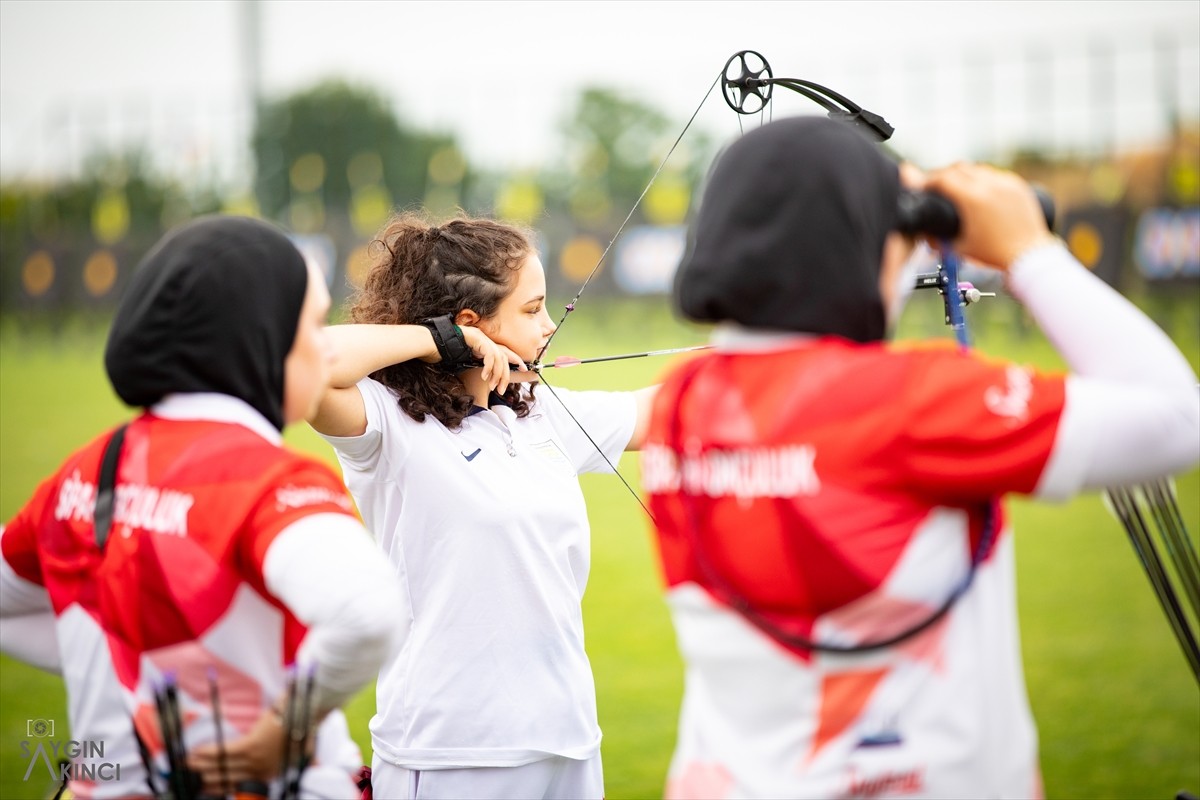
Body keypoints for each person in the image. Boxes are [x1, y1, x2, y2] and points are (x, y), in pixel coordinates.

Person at [639, 116, 1200, 799]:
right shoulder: (907, 401)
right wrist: (1031, 252)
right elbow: (1177, 419)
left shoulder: (682, 402)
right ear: (856, 245)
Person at [0, 215, 404, 800]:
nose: (326, 350)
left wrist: (142, 667)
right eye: (314, 325)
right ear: (259, 337)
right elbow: (369, 613)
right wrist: (285, 731)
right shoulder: (266, 479)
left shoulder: (87, 470)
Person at [307, 212, 656, 800]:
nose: (549, 325)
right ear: (471, 323)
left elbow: (674, 407)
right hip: (451, 751)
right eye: (532, 310)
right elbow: (308, 363)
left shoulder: (541, 414)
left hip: (568, 740)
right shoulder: (389, 426)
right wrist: (439, 340)